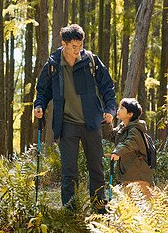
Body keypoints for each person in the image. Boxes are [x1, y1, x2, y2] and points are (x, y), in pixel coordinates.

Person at [34, 24, 117, 213]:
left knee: (96, 167)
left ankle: (99, 210)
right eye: (74, 46)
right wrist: (39, 106)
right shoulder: (53, 64)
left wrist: (110, 110)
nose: (78, 50)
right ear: (63, 44)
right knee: (69, 171)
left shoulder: (91, 61)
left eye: (80, 45)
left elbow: (107, 87)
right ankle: (70, 212)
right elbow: (43, 90)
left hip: (92, 123)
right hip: (66, 124)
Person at [105, 98, 155, 200]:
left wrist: (117, 152)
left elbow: (130, 143)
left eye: (122, 108)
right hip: (130, 175)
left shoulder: (135, 130)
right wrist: (107, 123)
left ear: (130, 114)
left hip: (139, 177)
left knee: (145, 208)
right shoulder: (122, 128)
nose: (118, 110)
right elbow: (110, 136)